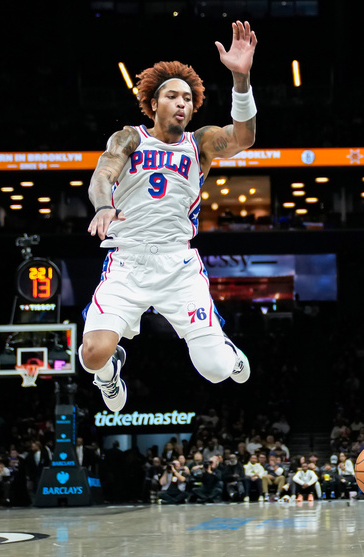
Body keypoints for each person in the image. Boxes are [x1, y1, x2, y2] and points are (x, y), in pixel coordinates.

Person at [78, 21, 259, 411]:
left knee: (215, 370)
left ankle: (224, 347)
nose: (182, 103)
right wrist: (105, 205)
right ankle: (109, 374)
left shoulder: (203, 143)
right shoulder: (129, 138)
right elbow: (101, 177)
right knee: (91, 353)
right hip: (127, 261)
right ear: (153, 103)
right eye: (172, 96)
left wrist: (240, 81)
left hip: (177, 264)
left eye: (188, 99)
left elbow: (244, 138)